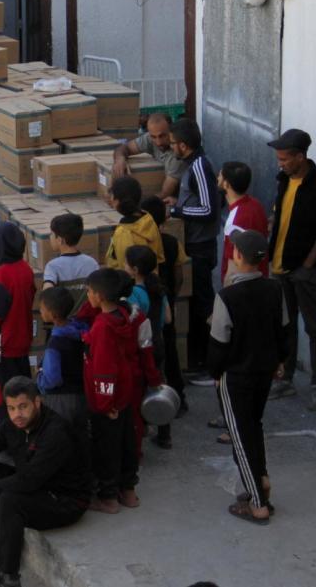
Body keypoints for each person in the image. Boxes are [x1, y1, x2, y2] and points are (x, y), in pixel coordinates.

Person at [0, 377, 90, 587]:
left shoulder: (55, 432)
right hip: (36, 486)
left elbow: (28, 480)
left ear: (37, 403)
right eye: (11, 408)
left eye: (23, 407)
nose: (17, 414)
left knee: (8, 499)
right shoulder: (13, 426)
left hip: (65, 500)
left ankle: (9, 577)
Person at [209, 230, 290, 525]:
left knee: (240, 437)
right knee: (253, 426)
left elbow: (219, 343)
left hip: (236, 375)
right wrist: (281, 361)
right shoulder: (274, 289)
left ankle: (257, 503)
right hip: (264, 371)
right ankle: (262, 479)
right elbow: (283, 329)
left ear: (237, 256)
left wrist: (215, 373)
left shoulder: (227, 297)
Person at [266, 129, 316, 411]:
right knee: (286, 325)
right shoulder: (284, 180)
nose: (280, 163)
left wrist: (309, 264)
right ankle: (286, 379)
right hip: (281, 266)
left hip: (305, 270)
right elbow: (280, 215)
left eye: (284, 158)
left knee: (313, 326)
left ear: (300, 156)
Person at [81, 268, 141, 514]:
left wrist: (106, 405)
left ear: (99, 296)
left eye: (89, 292)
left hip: (108, 401)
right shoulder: (123, 316)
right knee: (127, 443)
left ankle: (108, 498)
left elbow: (104, 370)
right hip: (125, 394)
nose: (87, 296)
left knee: (107, 448)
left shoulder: (103, 328)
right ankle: (128, 491)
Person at [167, 118, 220, 374]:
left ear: (184, 146)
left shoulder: (200, 166)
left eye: (173, 144)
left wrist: (177, 210)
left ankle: (208, 362)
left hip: (200, 247)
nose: (170, 148)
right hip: (194, 244)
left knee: (203, 304)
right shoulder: (192, 165)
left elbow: (209, 209)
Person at [0, 222, 36, 424]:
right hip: (23, 340)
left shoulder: (1, 275)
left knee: (4, 396)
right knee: (24, 392)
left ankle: (8, 436)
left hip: (4, 346)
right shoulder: (25, 269)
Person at [141, 195, 188, 443]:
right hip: (165, 302)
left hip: (152, 313)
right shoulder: (170, 242)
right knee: (170, 354)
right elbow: (179, 273)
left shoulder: (143, 246)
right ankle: (178, 398)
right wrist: (172, 295)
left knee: (152, 362)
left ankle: (153, 410)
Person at [123, 245, 167, 453]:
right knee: (158, 386)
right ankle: (164, 433)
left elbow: (133, 322)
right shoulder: (157, 288)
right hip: (159, 341)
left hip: (144, 344)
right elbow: (167, 318)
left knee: (141, 389)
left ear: (134, 269)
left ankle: (142, 429)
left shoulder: (134, 294)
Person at [37, 286, 88, 428]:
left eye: (42, 308)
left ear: (52, 314)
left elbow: (52, 379)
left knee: (61, 436)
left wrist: (40, 378)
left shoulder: (55, 343)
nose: (40, 311)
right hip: (82, 394)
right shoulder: (81, 331)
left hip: (60, 399)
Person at [110, 112, 187, 203]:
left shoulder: (177, 156)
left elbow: (165, 193)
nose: (158, 142)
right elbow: (124, 148)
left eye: (162, 136)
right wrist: (120, 159)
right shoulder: (150, 138)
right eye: (153, 137)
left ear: (171, 130)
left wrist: (129, 205)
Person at [217, 161, 268, 284]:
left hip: (242, 290)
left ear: (226, 184)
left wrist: (225, 297)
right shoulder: (256, 205)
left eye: (220, 175)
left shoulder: (235, 220)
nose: (217, 178)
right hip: (261, 282)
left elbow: (233, 267)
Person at [41, 213, 99, 314]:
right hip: (88, 320)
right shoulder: (91, 263)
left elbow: (47, 291)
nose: (50, 237)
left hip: (64, 322)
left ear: (60, 240)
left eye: (52, 234)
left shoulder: (53, 266)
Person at [104, 176, 164, 268]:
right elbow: (159, 257)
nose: (111, 199)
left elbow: (125, 268)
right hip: (152, 277)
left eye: (112, 195)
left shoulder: (123, 232)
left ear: (117, 201)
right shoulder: (148, 219)